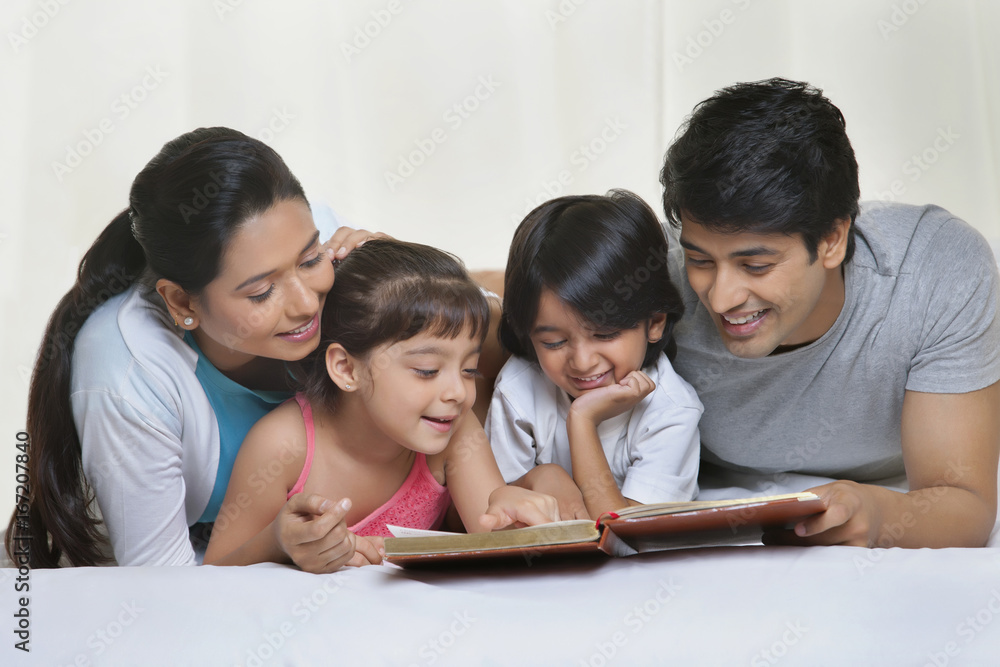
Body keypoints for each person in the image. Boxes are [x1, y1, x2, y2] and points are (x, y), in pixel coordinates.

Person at [5, 128, 522, 568]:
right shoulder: (126, 379)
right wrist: (277, 545)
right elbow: (163, 588)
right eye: (260, 292)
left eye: (309, 258)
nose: (305, 304)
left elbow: (481, 338)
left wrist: (411, 280)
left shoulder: (309, 247)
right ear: (184, 301)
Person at [659, 78, 1000, 548]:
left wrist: (875, 513)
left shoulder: (936, 268)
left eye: (755, 265)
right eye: (699, 260)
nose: (720, 298)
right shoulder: (653, 276)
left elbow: (964, 506)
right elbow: (527, 292)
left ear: (832, 240)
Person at [204, 240, 559, 571]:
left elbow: (494, 537)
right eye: (427, 370)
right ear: (345, 368)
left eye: (469, 370)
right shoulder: (282, 446)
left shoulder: (454, 428)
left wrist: (514, 517)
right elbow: (214, 573)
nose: (459, 393)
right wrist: (278, 543)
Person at [486, 191, 704, 520]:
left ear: (655, 322)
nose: (583, 361)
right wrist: (540, 478)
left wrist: (583, 422)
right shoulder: (519, 389)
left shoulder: (672, 410)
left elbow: (626, 533)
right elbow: (489, 508)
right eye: (554, 342)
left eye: (604, 334)